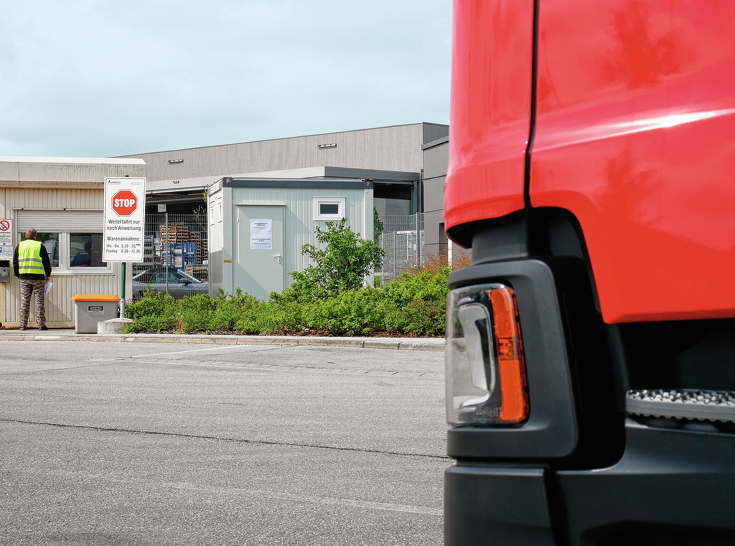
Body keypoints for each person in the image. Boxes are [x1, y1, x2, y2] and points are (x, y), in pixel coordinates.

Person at [13, 228, 52, 331]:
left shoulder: (20, 246)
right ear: (35, 236)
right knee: (39, 301)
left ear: (26, 236)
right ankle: (41, 325)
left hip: (24, 278)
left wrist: (18, 275)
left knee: (25, 301)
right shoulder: (40, 246)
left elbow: (15, 262)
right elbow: (46, 262)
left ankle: (22, 325)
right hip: (38, 278)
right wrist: (48, 274)